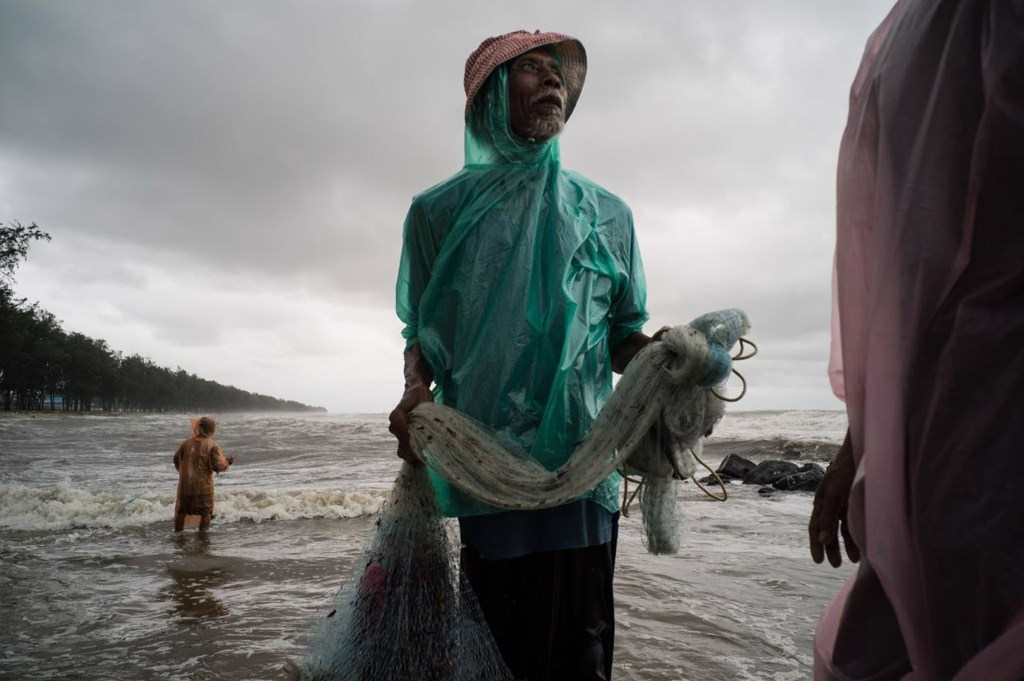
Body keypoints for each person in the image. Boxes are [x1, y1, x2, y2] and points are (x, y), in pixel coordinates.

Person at [388, 30, 666, 681]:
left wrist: (663, 358)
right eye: (532, 70)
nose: (554, 83)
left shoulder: (609, 215)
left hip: (584, 477)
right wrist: (413, 391)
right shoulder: (437, 213)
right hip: (488, 477)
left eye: (558, 73)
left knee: (584, 655)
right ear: (488, 98)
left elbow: (624, 336)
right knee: (497, 656)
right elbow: (420, 337)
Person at [809, 2, 1023, 679]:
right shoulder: (901, 47)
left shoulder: (897, 48)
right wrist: (858, 451)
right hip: (947, 437)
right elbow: (894, 283)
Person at [173, 416, 233, 532]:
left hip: (185, 487)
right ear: (211, 430)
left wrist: (184, 473)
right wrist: (228, 462)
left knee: (182, 512)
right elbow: (218, 466)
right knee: (205, 513)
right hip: (203, 488)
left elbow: (176, 459)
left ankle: (178, 535)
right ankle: (203, 536)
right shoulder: (212, 445)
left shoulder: (186, 443)